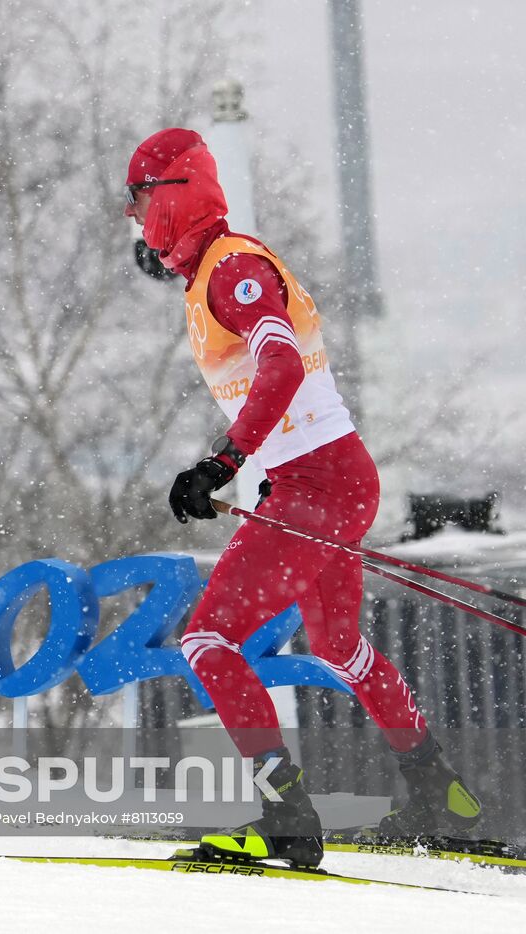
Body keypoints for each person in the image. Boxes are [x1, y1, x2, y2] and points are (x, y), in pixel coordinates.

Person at [123, 127, 481, 867]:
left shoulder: (234, 268)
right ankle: (441, 794)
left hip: (317, 483)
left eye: (137, 201)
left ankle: (285, 815)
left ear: (167, 199)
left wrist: (222, 461)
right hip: (328, 479)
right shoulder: (216, 271)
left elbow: (280, 364)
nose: (131, 217)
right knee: (339, 646)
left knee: (208, 637)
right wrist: (166, 258)